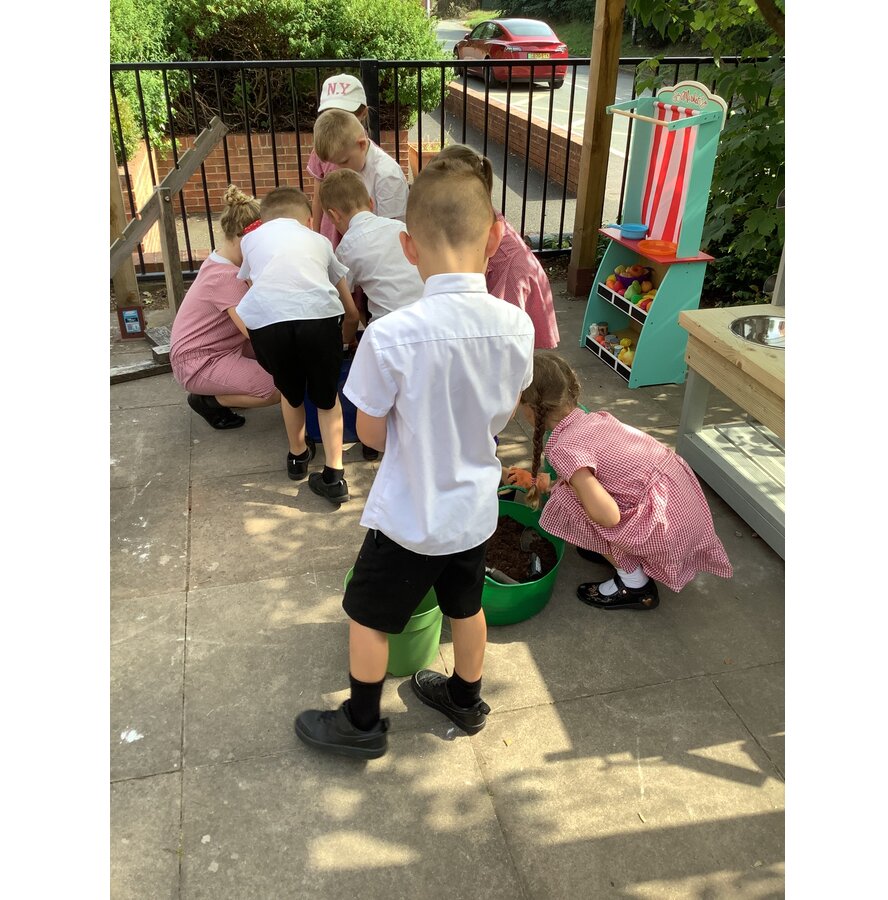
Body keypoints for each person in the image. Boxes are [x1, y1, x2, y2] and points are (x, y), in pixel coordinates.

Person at [293, 159, 536, 760]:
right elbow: (505, 410)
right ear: (495, 236)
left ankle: (362, 722)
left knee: (367, 615)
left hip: (410, 516)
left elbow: (370, 433)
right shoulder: (517, 326)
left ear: (408, 246)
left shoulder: (391, 335)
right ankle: (466, 698)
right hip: (473, 511)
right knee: (466, 606)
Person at [520, 352, 733, 610]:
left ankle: (634, 584)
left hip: (665, 530)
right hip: (681, 508)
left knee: (567, 501)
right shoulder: (595, 419)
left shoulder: (564, 448)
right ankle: (619, 552)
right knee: (577, 493)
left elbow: (608, 516)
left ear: (532, 409)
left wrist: (559, 489)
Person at [236, 185, 363, 504]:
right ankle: (334, 476)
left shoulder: (250, 240)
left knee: (290, 392)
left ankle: (297, 456)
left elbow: (253, 284)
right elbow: (349, 309)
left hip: (268, 325)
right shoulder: (320, 241)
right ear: (308, 220)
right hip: (319, 321)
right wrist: (344, 340)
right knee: (327, 399)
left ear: (264, 220)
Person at [169, 185, 282, 429]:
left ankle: (234, 387)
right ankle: (208, 401)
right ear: (245, 239)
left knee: (279, 363)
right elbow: (254, 331)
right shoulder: (227, 277)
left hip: (220, 346)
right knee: (279, 387)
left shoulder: (222, 260)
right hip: (199, 362)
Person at [432, 144, 560, 349]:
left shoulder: (506, 265)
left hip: (511, 278)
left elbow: (503, 336)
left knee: (506, 343)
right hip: (509, 275)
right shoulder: (474, 210)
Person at [321, 169, 423, 323]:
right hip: (428, 311)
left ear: (334, 216)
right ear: (371, 202)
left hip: (389, 323)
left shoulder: (346, 248)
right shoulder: (400, 227)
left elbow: (344, 301)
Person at [313, 108, 408, 222]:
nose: (339, 169)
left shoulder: (387, 176)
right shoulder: (356, 162)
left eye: (344, 161)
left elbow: (390, 229)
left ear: (362, 144)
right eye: (335, 163)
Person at [307, 73, 369, 247]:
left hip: (360, 234)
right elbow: (318, 197)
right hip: (331, 232)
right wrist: (316, 236)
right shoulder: (320, 152)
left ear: (363, 114)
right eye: (332, 114)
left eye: (346, 115)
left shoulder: (365, 152)